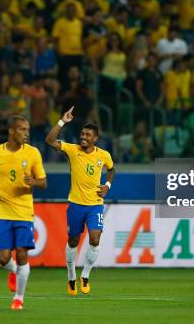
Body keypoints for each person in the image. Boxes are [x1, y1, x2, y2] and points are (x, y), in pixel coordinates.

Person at [45, 107, 115, 296]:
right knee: (73, 240)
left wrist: (107, 185)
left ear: (95, 138)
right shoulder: (72, 150)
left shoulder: (104, 155)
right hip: (75, 204)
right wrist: (62, 121)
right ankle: (71, 276)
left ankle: (85, 275)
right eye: (82, 133)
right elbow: (49, 140)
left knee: (94, 237)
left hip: (95, 205)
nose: (83, 137)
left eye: (87, 135)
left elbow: (111, 169)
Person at [0, 116, 47, 310]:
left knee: (22, 254)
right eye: (22, 129)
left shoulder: (33, 153)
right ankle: (12, 271)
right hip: (2, 211)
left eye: (27, 129)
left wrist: (34, 182)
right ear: (12, 131)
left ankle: (18, 299)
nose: (26, 133)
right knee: (3, 258)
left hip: (24, 212)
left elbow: (44, 182)